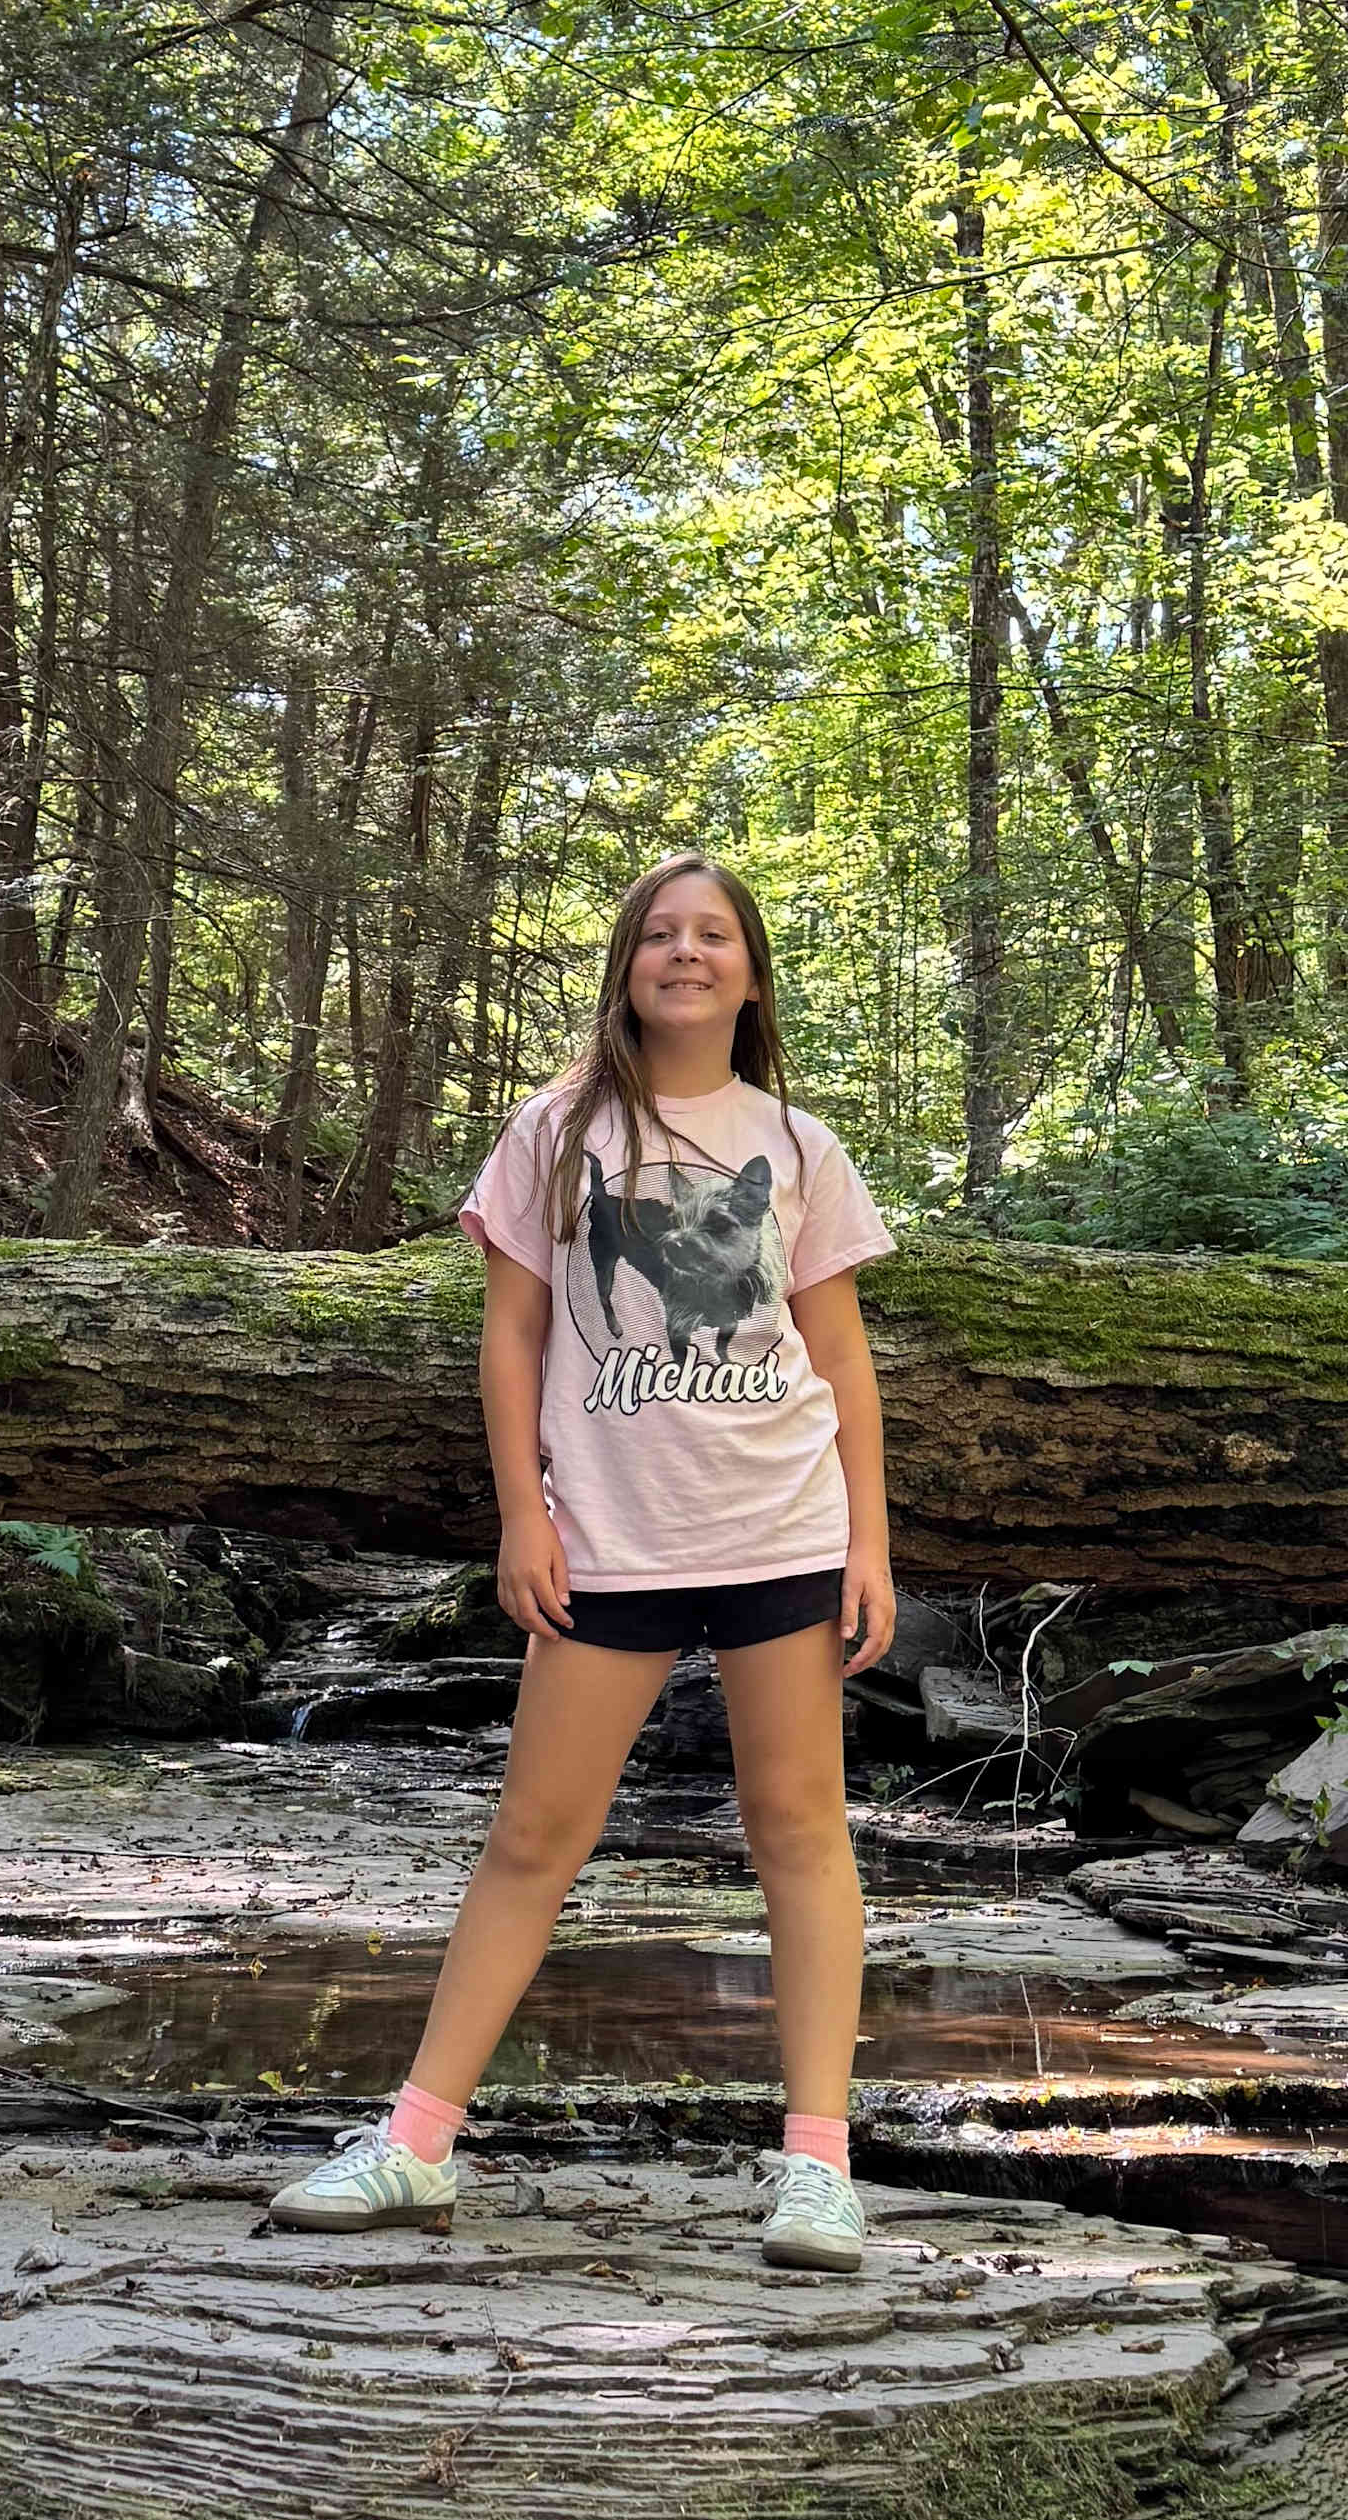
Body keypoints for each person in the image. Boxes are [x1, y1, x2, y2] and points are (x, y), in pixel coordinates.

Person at [271, 850, 895, 2271]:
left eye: (715, 935)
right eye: (660, 935)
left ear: (750, 972)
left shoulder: (797, 1147)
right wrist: (523, 1513)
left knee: (799, 1832)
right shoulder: (556, 1135)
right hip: (609, 1539)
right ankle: (416, 2145)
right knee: (533, 1838)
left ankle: (817, 2168)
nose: (686, 953)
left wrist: (871, 1541)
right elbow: (513, 1338)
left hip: (779, 1526)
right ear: (626, 968)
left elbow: (843, 1360)